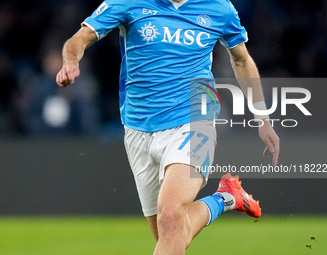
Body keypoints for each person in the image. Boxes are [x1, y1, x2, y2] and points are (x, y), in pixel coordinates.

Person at [56, 0, 280, 254]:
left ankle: (226, 197)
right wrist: (71, 61)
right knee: (172, 234)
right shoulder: (128, 2)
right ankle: (226, 198)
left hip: (195, 119)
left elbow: (241, 61)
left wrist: (263, 118)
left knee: (170, 217)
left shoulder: (219, 8)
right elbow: (80, 38)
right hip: (138, 129)